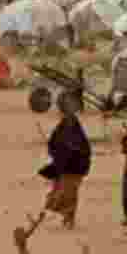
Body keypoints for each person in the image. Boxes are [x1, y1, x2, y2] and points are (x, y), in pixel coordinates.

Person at [39, 94, 92, 229]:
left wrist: (74, 151)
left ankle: (69, 218)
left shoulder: (76, 129)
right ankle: (64, 216)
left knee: (70, 193)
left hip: (75, 167)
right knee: (60, 192)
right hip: (63, 167)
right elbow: (54, 143)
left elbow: (84, 148)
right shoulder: (62, 127)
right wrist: (56, 151)